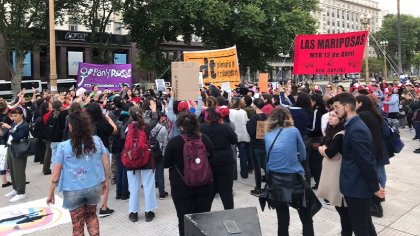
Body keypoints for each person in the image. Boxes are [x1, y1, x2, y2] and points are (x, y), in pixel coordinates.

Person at [46, 111, 110, 236]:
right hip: (94, 185)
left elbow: (55, 174)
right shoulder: (97, 141)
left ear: (70, 126)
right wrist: (106, 180)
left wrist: (50, 193)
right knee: (92, 216)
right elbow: (106, 163)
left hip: (72, 189)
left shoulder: (63, 147)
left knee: (77, 224)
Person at [332, 92, 385, 235]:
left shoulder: (356, 128)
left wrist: (375, 186)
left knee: (360, 226)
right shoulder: (352, 124)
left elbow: (366, 161)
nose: (335, 110)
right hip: (356, 184)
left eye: (337, 107)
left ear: (347, 107)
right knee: (365, 223)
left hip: (357, 185)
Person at [260, 107, 313, 236]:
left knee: (282, 220)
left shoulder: (267, 134)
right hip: (294, 179)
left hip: (275, 179)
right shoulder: (294, 131)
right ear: (288, 117)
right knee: (306, 217)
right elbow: (303, 155)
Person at [164, 112, 214, 236]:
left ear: (180, 126)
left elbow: (165, 163)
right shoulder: (205, 139)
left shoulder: (174, 142)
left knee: (183, 219)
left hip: (181, 187)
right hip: (204, 185)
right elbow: (212, 157)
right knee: (203, 218)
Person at [317, 110, 350, 235]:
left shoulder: (340, 135)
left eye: (334, 116)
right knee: (338, 206)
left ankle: (346, 231)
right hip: (331, 172)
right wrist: (323, 148)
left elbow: (329, 152)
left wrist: (321, 149)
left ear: (341, 119)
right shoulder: (332, 132)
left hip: (336, 173)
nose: (330, 118)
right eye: (329, 115)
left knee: (341, 206)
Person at [356, 95, 388, 218]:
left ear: (360, 103)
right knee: (378, 175)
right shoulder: (373, 113)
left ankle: (376, 206)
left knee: (372, 178)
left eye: (356, 102)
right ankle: (378, 200)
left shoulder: (363, 115)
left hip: (371, 150)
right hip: (378, 149)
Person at [125, 105, 158, 223]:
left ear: (130, 115)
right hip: (146, 159)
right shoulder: (146, 127)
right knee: (148, 186)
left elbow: (122, 138)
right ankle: (149, 212)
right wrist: (154, 110)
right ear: (141, 114)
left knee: (133, 187)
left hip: (130, 161)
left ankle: (133, 213)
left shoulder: (126, 127)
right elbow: (155, 121)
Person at [201, 106, 238, 209]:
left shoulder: (202, 128)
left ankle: (205, 214)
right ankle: (229, 212)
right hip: (226, 161)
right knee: (226, 191)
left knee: (209, 191)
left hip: (210, 162)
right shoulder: (225, 127)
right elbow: (234, 140)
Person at [86, 102, 117, 217]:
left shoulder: (86, 123)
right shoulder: (102, 122)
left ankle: (91, 205)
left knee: (92, 178)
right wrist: (109, 119)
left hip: (89, 152)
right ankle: (103, 207)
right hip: (103, 152)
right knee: (105, 179)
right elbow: (114, 131)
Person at [3, 107, 30, 202]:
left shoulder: (25, 125)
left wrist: (9, 128)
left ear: (21, 115)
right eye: (12, 116)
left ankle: (21, 192)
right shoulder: (14, 123)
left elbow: (18, 137)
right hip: (11, 148)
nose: (14, 118)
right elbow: (7, 135)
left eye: (16, 116)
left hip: (19, 150)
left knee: (19, 172)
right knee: (12, 170)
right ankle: (15, 189)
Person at [246, 98, 268, 196]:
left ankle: (258, 188)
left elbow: (250, 131)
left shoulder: (254, 118)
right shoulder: (266, 116)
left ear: (255, 105)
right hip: (265, 144)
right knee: (266, 166)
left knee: (257, 168)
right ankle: (269, 186)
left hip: (256, 145)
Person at [308, 93, 328, 189]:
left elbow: (313, 127)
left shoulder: (316, 111)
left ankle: (319, 183)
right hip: (322, 138)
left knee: (316, 164)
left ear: (314, 101)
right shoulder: (324, 110)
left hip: (315, 139)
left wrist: (306, 129)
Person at [229, 97, 252, 178]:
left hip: (234, 135)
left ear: (232, 102)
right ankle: (244, 173)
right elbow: (246, 122)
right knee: (243, 155)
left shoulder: (230, 112)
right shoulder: (243, 111)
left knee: (234, 156)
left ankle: (234, 175)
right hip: (243, 135)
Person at [0, 100, 13, 188]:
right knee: (8, 161)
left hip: (1, 142)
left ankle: (4, 181)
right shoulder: (6, 118)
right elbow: (13, 128)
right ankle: (8, 180)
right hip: (5, 141)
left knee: (2, 162)